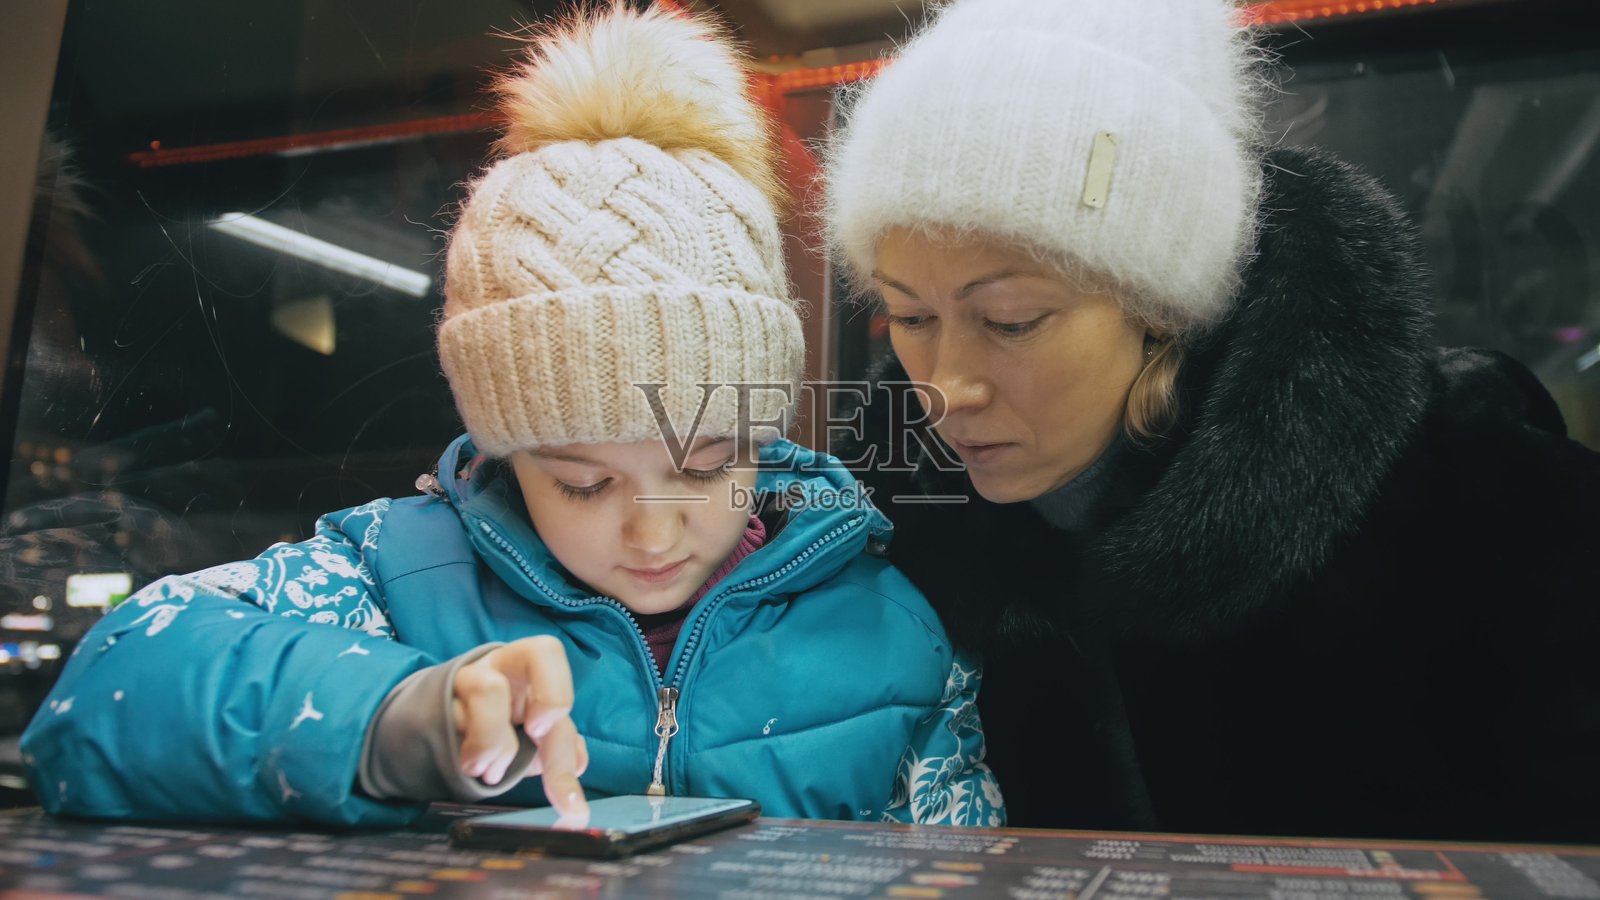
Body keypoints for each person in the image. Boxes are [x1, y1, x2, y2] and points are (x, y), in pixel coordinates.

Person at [19, 2, 1002, 829]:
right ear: (506, 451)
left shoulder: (888, 633)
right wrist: (398, 722)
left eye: (704, 465)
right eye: (582, 481)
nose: (654, 529)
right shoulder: (394, 583)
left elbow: (964, 863)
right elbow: (101, 696)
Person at [823, 0, 1600, 842]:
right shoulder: (865, 552)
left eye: (1010, 319)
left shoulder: (1477, 505)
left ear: (1160, 305)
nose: (946, 386)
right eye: (908, 317)